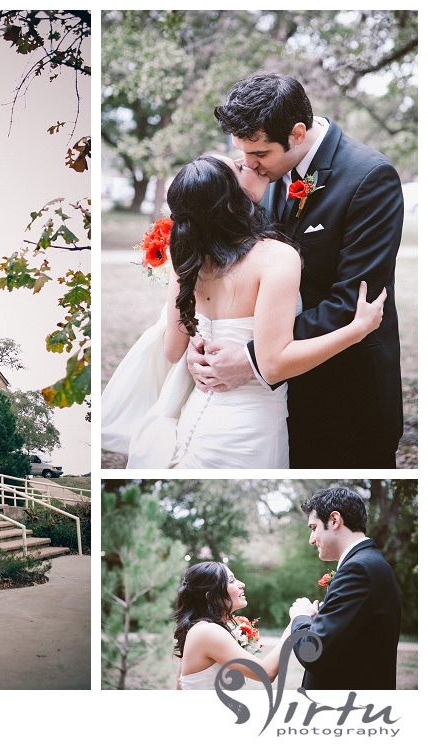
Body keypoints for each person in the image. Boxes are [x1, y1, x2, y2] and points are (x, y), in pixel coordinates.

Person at [191, 73, 403, 468]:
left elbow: (352, 303)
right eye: (242, 152)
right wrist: (204, 340)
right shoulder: (263, 173)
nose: (248, 166)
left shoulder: (370, 178)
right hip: (277, 403)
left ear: (298, 133)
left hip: (346, 393)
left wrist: (253, 357)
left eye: (259, 154)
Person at [123, 154, 384, 468]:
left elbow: (171, 349)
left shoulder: (187, 255)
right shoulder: (275, 257)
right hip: (247, 431)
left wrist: (197, 343)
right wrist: (356, 331)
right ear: (231, 202)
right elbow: (273, 366)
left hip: (195, 419)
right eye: (237, 167)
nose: (245, 160)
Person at [289, 487, 401, 690]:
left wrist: (300, 617)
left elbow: (314, 654)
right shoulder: (374, 563)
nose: (311, 539)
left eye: (314, 528)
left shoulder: (358, 569)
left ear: (334, 520)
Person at [174, 561, 292, 690]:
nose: (242, 584)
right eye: (231, 581)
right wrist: (293, 624)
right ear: (212, 597)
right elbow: (267, 673)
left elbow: (179, 690)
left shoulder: (197, 629)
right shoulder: (207, 631)